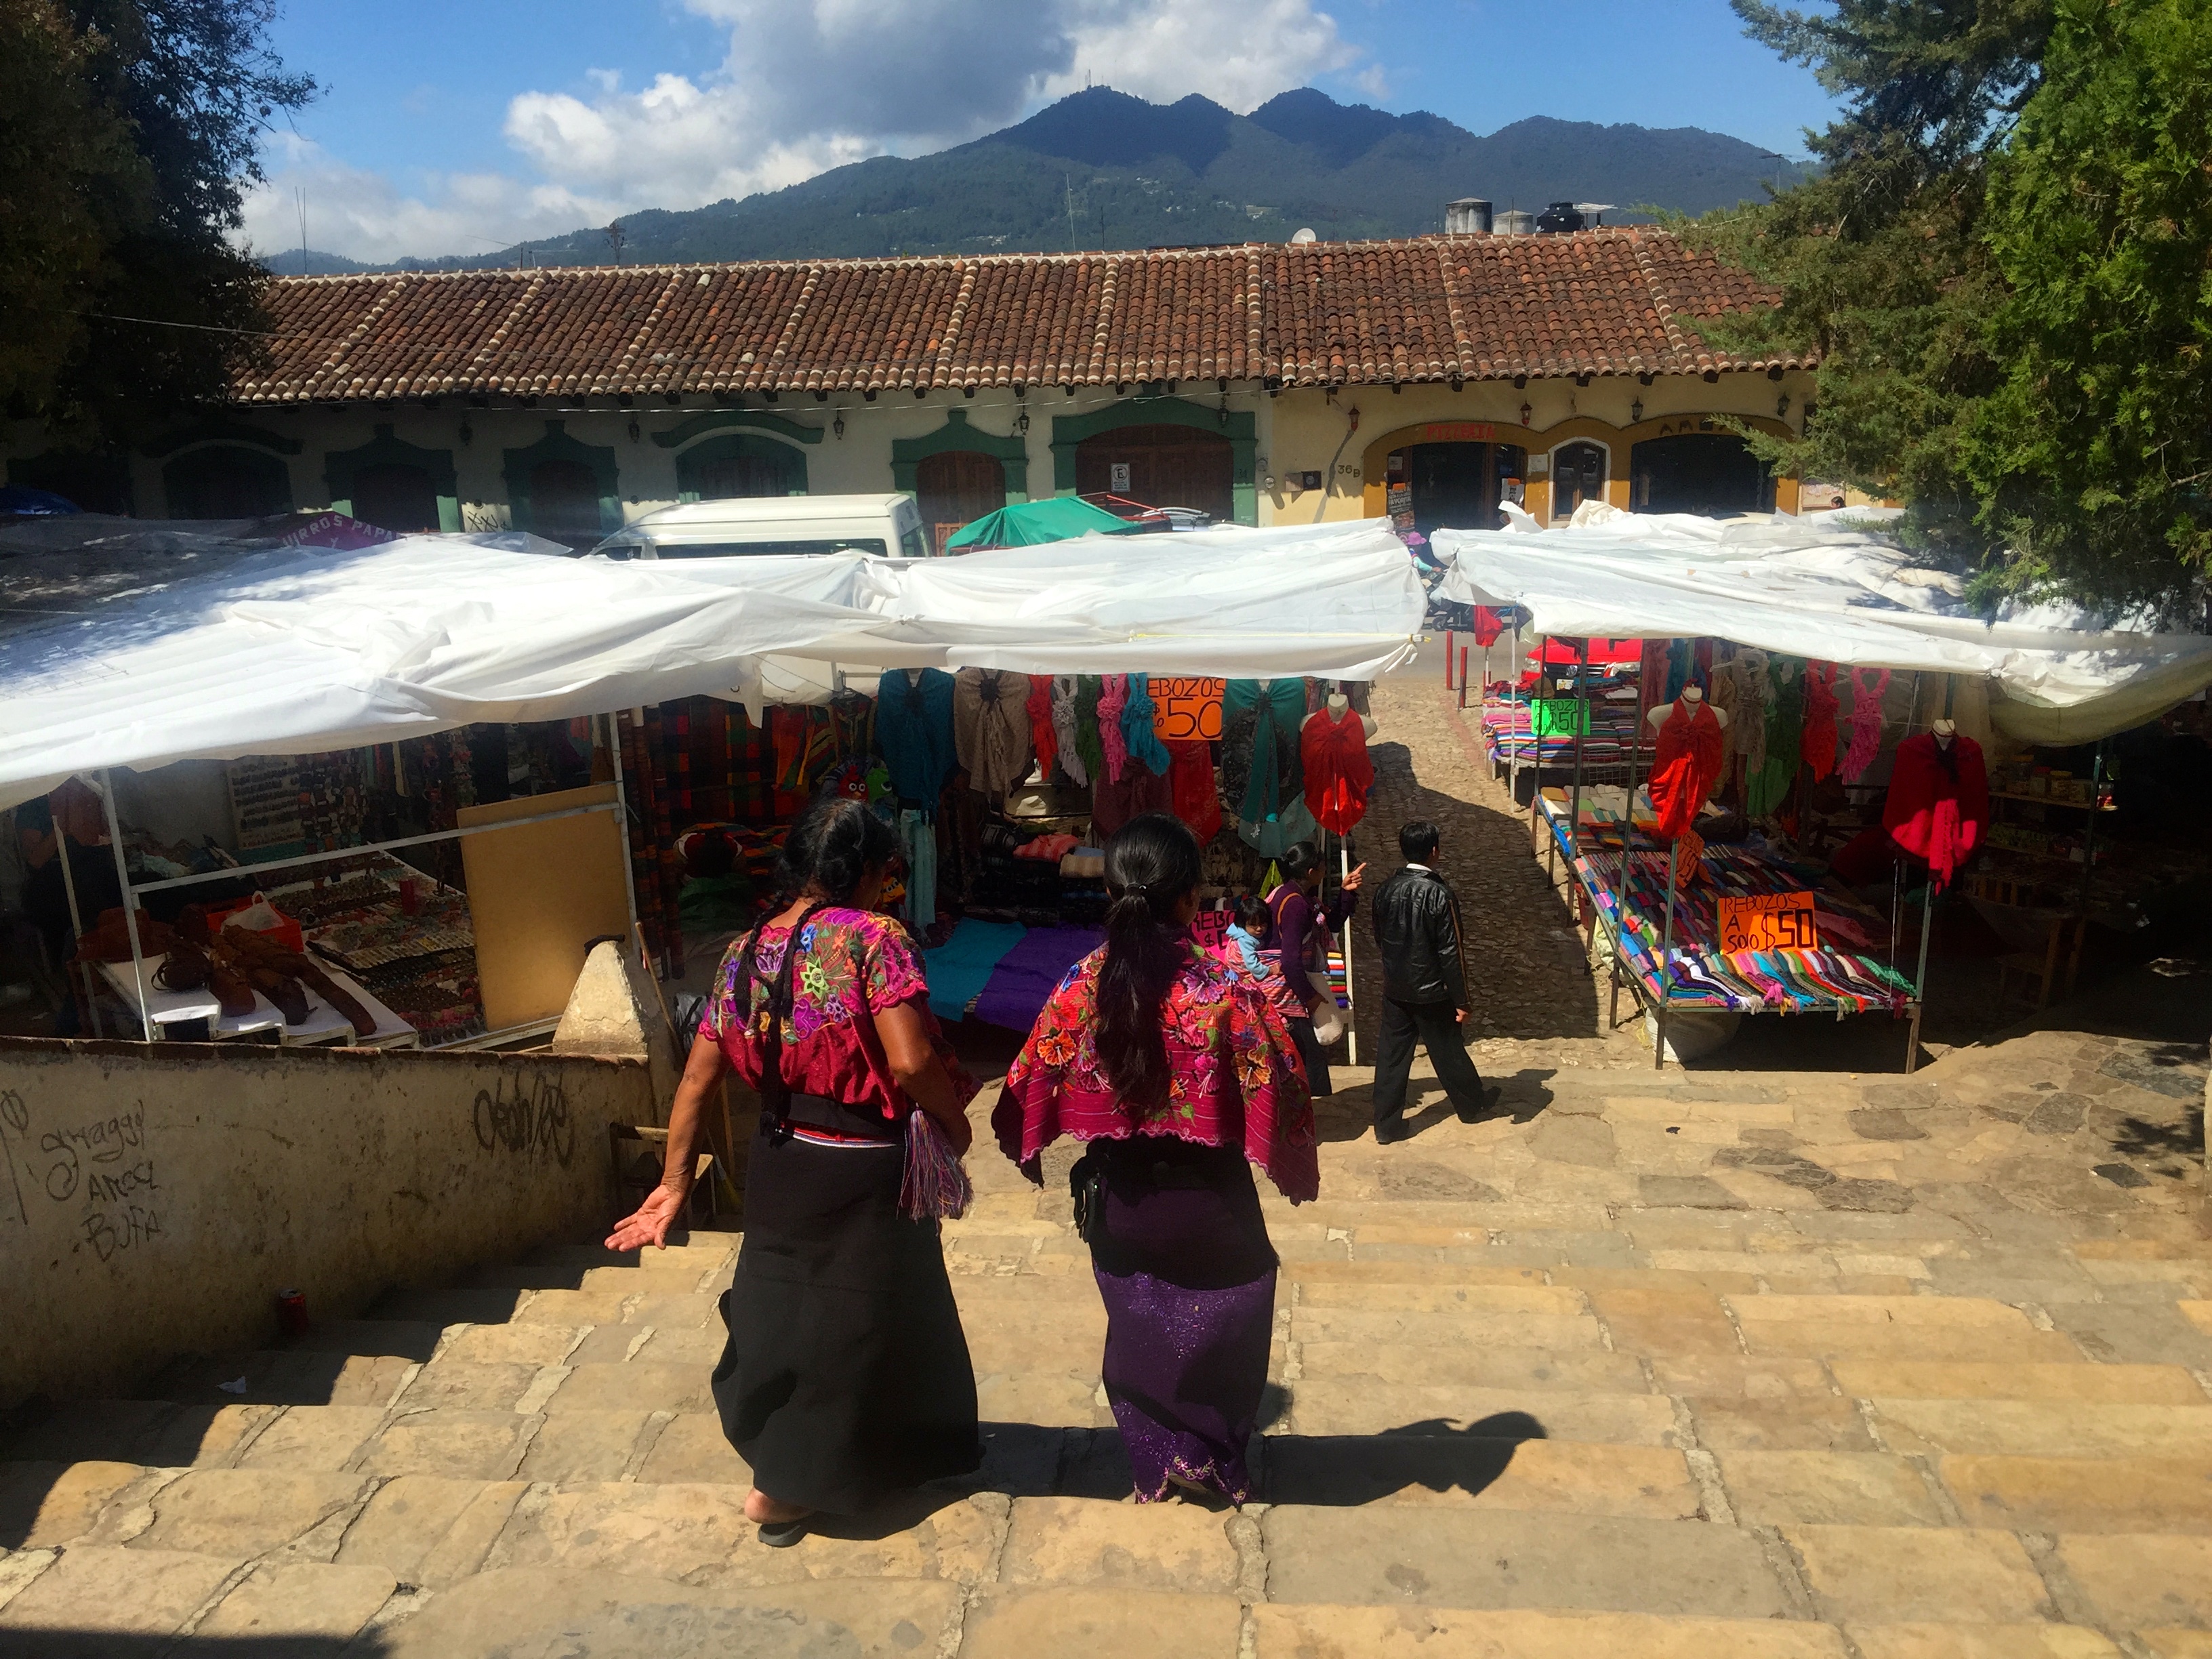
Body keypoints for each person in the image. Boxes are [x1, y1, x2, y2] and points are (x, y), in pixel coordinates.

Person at [606, 796, 981, 1545]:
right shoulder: (874, 938)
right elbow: (909, 1061)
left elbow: (698, 1078)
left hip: (780, 1158)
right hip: (863, 1164)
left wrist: (673, 1184)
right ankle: (785, 1488)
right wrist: (952, 1122)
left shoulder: (747, 950)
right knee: (860, 1318)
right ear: (868, 871)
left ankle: (876, 1455)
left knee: (789, 1312)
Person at [996, 812, 1315, 1506]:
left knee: (1138, 1320)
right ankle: (1209, 1456)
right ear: (1191, 897)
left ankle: (1154, 1456)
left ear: (1112, 891)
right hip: (1213, 1200)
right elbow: (1283, 1084)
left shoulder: (1080, 985)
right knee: (1232, 1315)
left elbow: (1029, 1077)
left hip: (1121, 1199)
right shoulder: (1224, 989)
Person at [1368, 819, 1493, 1143]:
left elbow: (1380, 937)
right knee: (1449, 1051)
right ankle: (1471, 1105)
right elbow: (1452, 952)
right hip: (1432, 992)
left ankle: (1386, 1125)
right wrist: (1462, 1000)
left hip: (1396, 989)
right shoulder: (1440, 894)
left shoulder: (1384, 891)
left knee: (1391, 1058)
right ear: (1434, 851)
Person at [1265, 841, 1363, 1096]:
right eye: (1322, 867)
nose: (1324, 871)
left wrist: (1346, 893)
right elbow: (1290, 960)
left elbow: (1330, 923)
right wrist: (1311, 997)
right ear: (1311, 872)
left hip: (1294, 985)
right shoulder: (1295, 905)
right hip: (1289, 991)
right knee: (1308, 1058)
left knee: (1305, 1057)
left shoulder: (1295, 896)